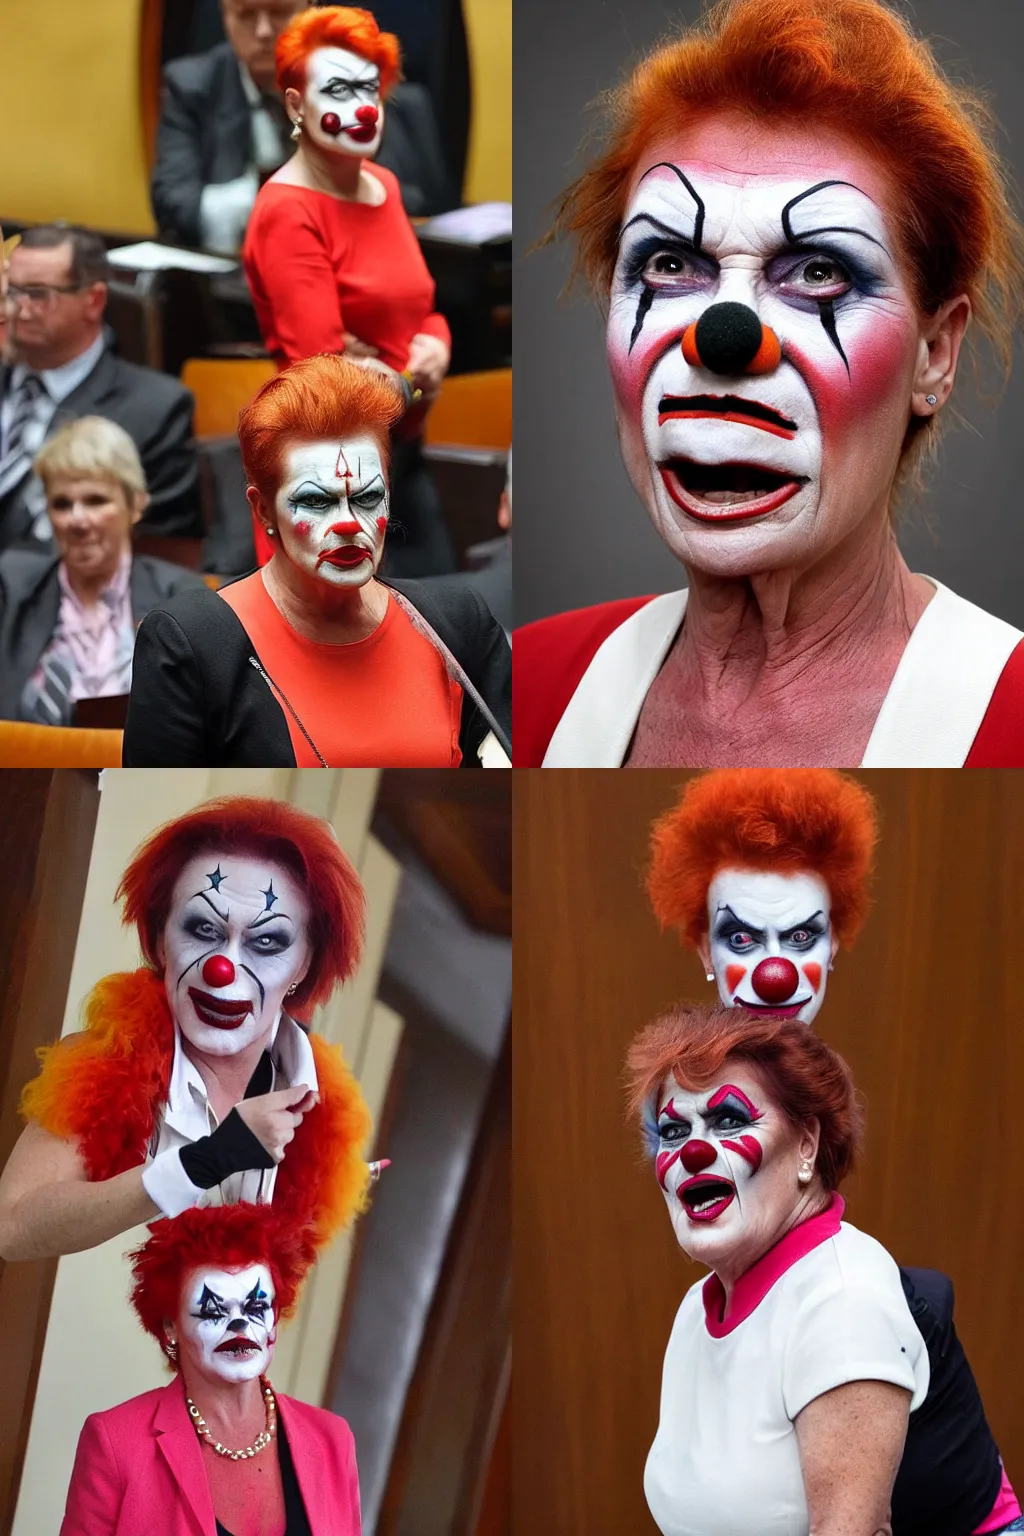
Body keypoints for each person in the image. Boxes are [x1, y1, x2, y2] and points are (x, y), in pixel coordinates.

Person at [515, 0, 1024, 767]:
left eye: (820, 273)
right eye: (669, 265)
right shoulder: (527, 682)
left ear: (934, 354)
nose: (722, 338)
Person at [643, 769, 1023, 1535]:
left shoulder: (843, 1295)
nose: (774, 968)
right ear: (706, 951)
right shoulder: (699, 1310)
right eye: (743, 937)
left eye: (801, 935)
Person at [627, 1003, 1021, 1536]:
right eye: (673, 1133)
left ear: (807, 1145)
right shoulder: (696, 1310)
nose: (694, 1151)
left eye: (728, 1120)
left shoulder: (843, 1299)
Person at [0, 796, 372, 1264]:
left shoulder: (323, 1114)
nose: (223, 968)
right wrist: (204, 1162)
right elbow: (11, 1226)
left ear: (305, 964)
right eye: (203, 929)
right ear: (159, 941)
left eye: (266, 942)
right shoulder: (109, 1062)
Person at [122, 355, 511, 766]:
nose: (347, 524)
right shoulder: (190, 641)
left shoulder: (458, 624)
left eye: (367, 497)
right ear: (263, 511)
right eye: (314, 501)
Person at [242, 6, 455, 576]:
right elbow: (327, 379)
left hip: (404, 454)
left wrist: (436, 346)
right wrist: (415, 379)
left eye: (370, 90)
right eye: (337, 89)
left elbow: (422, 309)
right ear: (295, 106)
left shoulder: (383, 185)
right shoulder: (286, 211)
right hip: (336, 474)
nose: (361, 108)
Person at [60, 1204, 362, 1534]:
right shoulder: (116, 1443)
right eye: (213, 1310)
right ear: (170, 1325)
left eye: (257, 1306)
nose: (239, 1325)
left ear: (275, 1316)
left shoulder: (333, 1441)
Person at [152, 0, 453, 254]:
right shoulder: (190, 85)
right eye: (246, 15)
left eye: (279, 12)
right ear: (224, 15)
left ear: (308, 10)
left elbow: (413, 198)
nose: (263, 31)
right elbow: (174, 203)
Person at [1, 225, 201, 551]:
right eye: (10, 292)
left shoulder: (154, 408)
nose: (18, 308)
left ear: (93, 300)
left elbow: (160, 552)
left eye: (37, 293)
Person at [0, 417, 206, 723]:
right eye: (62, 504)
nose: (78, 520)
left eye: (96, 501)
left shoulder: (185, 600)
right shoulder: (10, 588)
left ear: (136, 505)